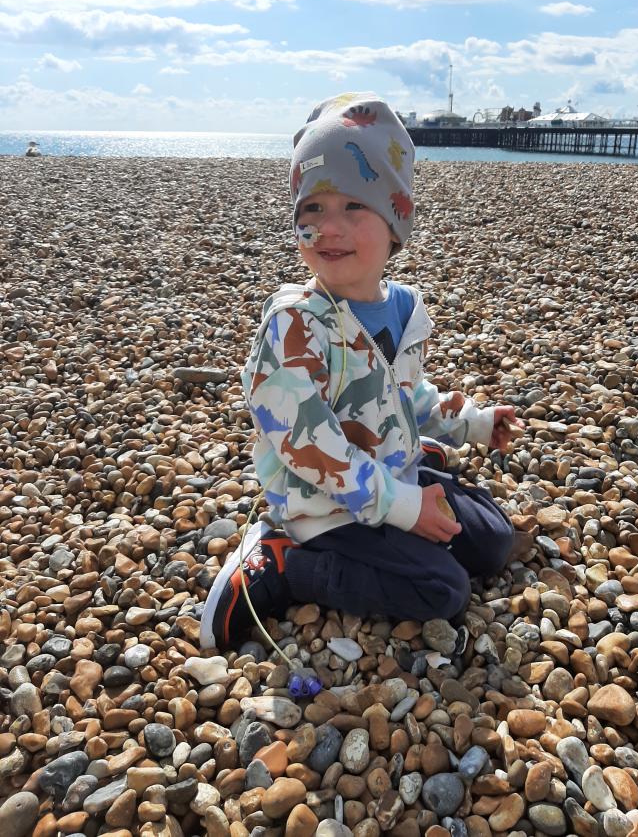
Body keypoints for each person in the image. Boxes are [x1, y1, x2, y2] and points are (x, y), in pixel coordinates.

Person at [200, 92, 523, 651]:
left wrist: (469, 420)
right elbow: (309, 447)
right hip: (323, 503)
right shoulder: (295, 324)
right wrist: (404, 510)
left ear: (397, 221)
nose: (328, 227)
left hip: (388, 472)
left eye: (353, 207)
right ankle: (283, 566)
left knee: (494, 542)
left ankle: (419, 462)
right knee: (441, 590)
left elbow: (405, 393)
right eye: (312, 212)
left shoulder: (400, 308)